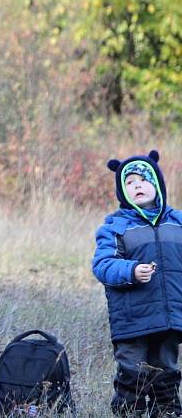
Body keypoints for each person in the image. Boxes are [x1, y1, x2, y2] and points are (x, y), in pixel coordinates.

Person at [92, 150, 182, 416]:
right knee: (132, 375)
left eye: (143, 179)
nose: (137, 185)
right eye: (129, 182)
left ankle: (166, 413)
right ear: (122, 192)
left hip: (169, 317)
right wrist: (130, 271)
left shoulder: (177, 223)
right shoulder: (115, 227)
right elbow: (102, 265)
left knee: (166, 374)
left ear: (158, 185)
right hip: (132, 320)